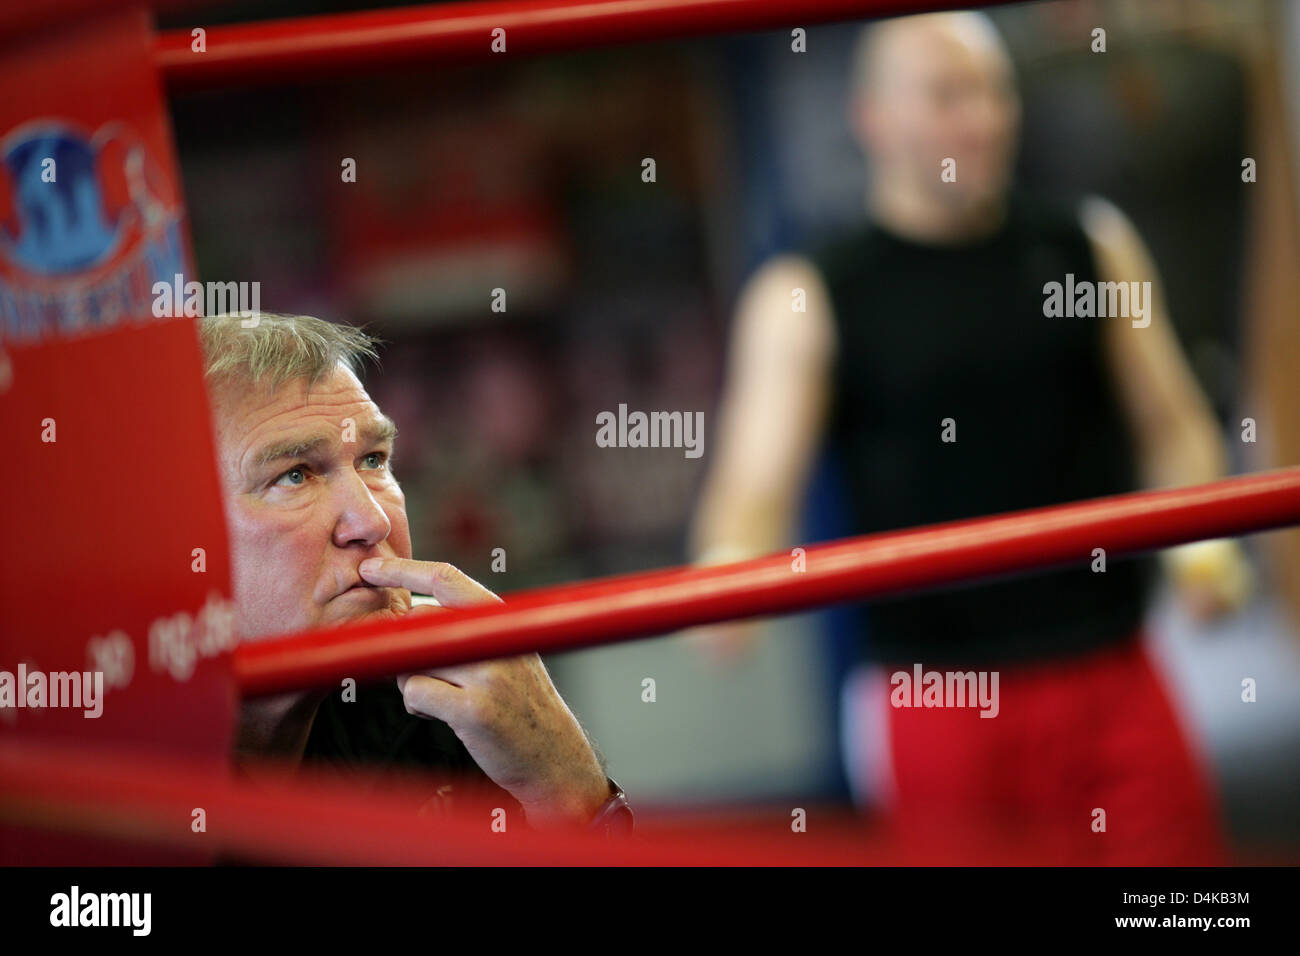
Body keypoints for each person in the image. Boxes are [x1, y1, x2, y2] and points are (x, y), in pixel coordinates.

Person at [688, 11, 1250, 863]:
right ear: (873, 117)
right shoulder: (810, 290)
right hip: (936, 694)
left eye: (993, 91)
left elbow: (1173, 426)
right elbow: (755, 486)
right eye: (948, 96)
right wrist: (729, 576)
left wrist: (1203, 558)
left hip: (1110, 665)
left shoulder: (1088, 246)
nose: (981, 119)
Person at [200, 311, 631, 833]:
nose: (373, 520)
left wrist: (567, 787)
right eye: (295, 475)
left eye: (374, 460)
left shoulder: (435, 699)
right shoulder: (103, 786)